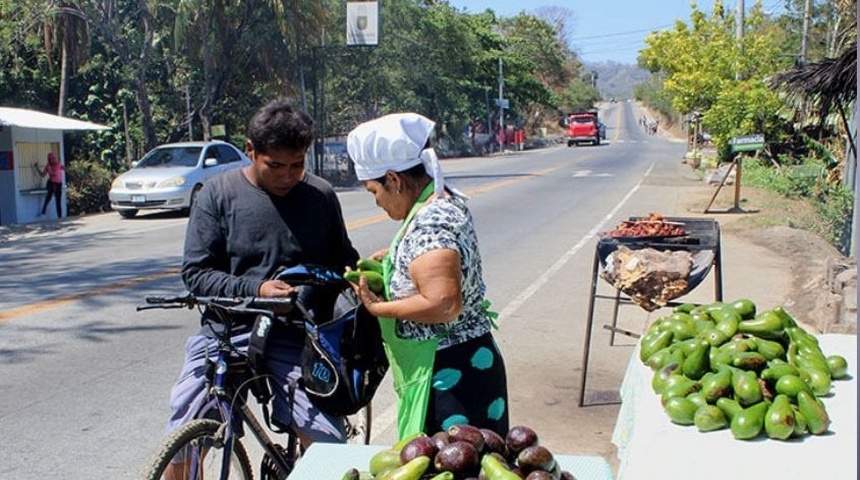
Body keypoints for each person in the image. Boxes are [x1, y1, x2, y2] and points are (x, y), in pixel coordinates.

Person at [163, 98, 359, 478]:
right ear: (250, 152)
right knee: (183, 440)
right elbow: (197, 274)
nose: (287, 176)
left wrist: (354, 277)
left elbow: (343, 260)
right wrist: (258, 291)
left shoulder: (320, 196)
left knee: (329, 447)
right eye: (275, 166)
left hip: (297, 337)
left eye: (297, 165)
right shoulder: (216, 196)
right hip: (227, 333)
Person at [346, 112, 509, 439]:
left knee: (452, 466)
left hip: (453, 376)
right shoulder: (436, 202)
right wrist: (395, 258)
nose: (377, 202)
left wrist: (379, 309)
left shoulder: (430, 223)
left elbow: (444, 303)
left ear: (393, 179)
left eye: (373, 191)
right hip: (463, 365)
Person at [36, 152, 63, 217]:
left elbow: (66, 169)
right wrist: (37, 168)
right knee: (49, 195)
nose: (52, 160)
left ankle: (59, 216)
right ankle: (44, 208)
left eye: (53, 159)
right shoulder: (48, 166)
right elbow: (43, 175)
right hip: (51, 182)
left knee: (58, 200)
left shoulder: (58, 164)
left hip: (58, 183)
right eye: (51, 159)